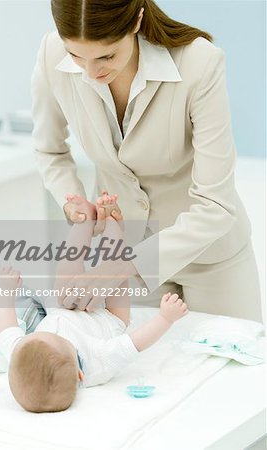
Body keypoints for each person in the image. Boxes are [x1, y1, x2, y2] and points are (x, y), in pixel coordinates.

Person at [31, 0, 262, 322]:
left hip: (210, 256)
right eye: (75, 56)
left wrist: (127, 265)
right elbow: (50, 151)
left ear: (137, 20)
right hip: (121, 252)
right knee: (140, 364)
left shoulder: (199, 63)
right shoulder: (50, 54)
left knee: (232, 364)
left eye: (106, 56)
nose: (90, 72)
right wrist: (75, 204)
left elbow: (216, 205)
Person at [0, 192, 188, 413]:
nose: (55, 334)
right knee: (114, 266)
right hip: (111, 318)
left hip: (66, 304)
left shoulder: (20, 354)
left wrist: (6, 292)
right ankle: (114, 225)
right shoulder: (99, 364)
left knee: (67, 267)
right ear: (80, 375)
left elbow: (6, 329)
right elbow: (136, 343)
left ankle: (84, 221)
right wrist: (165, 318)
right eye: (58, 339)